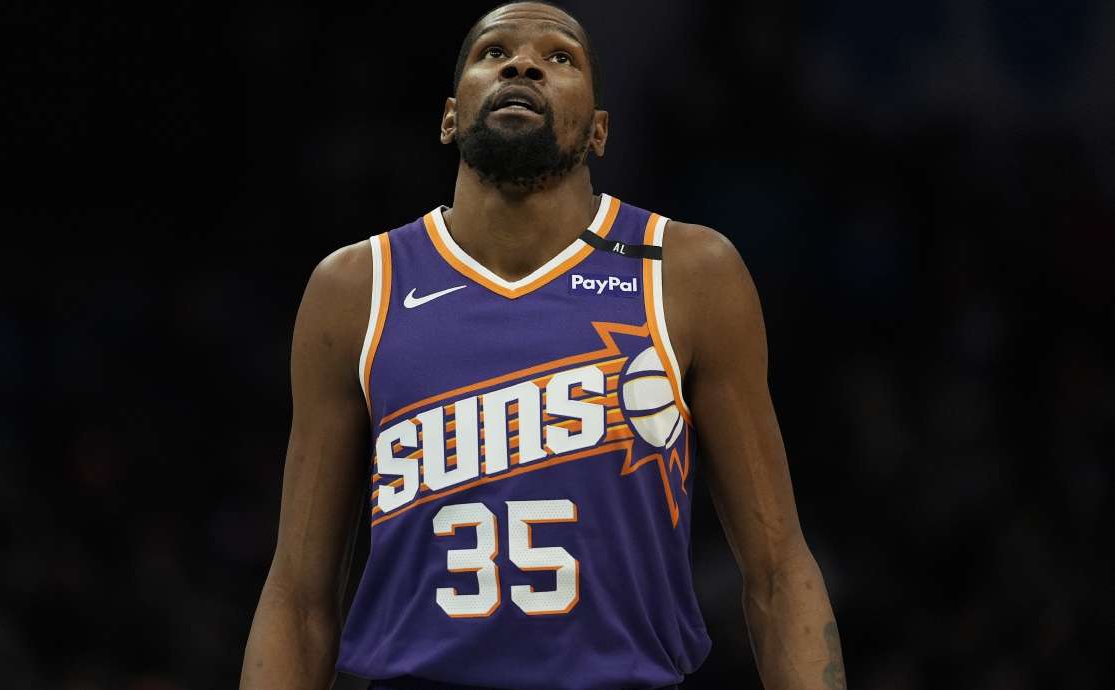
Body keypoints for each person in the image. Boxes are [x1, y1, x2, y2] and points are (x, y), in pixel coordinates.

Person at [240, 2, 845, 689]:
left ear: (598, 131)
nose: (522, 62)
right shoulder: (356, 287)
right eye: (493, 52)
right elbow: (298, 596)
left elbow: (778, 571)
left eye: (560, 58)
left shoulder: (689, 272)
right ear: (448, 116)